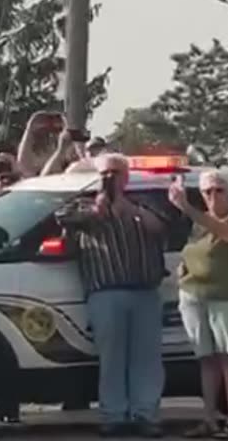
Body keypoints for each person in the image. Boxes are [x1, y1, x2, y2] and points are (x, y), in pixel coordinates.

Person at [55, 153, 170, 438]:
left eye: (116, 173)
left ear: (126, 176)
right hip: (105, 292)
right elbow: (62, 217)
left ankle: (145, 414)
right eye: (106, 173)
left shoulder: (144, 201)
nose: (111, 178)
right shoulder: (84, 203)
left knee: (146, 359)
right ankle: (113, 415)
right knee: (111, 358)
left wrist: (128, 207)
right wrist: (97, 209)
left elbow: (161, 226)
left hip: (145, 291)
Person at [171, 171, 228, 440]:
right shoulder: (199, 226)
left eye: (219, 190)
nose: (212, 196)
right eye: (207, 191)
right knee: (206, 359)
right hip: (194, 296)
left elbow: (226, 233)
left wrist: (186, 206)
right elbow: (193, 251)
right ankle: (209, 418)